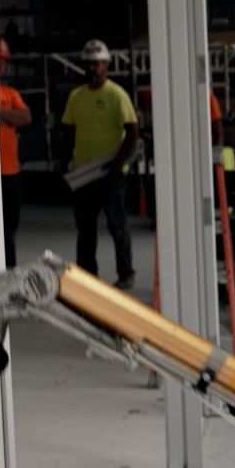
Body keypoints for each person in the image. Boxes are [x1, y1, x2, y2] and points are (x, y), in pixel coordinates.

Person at [60, 39, 139, 288]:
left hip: (110, 172)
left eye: (98, 64)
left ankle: (126, 273)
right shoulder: (76, 97)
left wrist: (118, 162)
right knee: (85, 228)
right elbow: (67, 132)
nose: (93, 68)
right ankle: (87, 275)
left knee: (117, 225)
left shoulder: (116, 95)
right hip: (84, 172)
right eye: (89, 64)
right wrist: (65, 163)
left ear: (106, 65)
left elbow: (133, 131)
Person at [0, 37, 31, 268]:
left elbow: (26, 117)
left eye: (3, 61)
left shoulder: (9, 93)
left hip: (10, 172)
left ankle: (10, 273)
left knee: (9, 230)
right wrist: (8, 116)